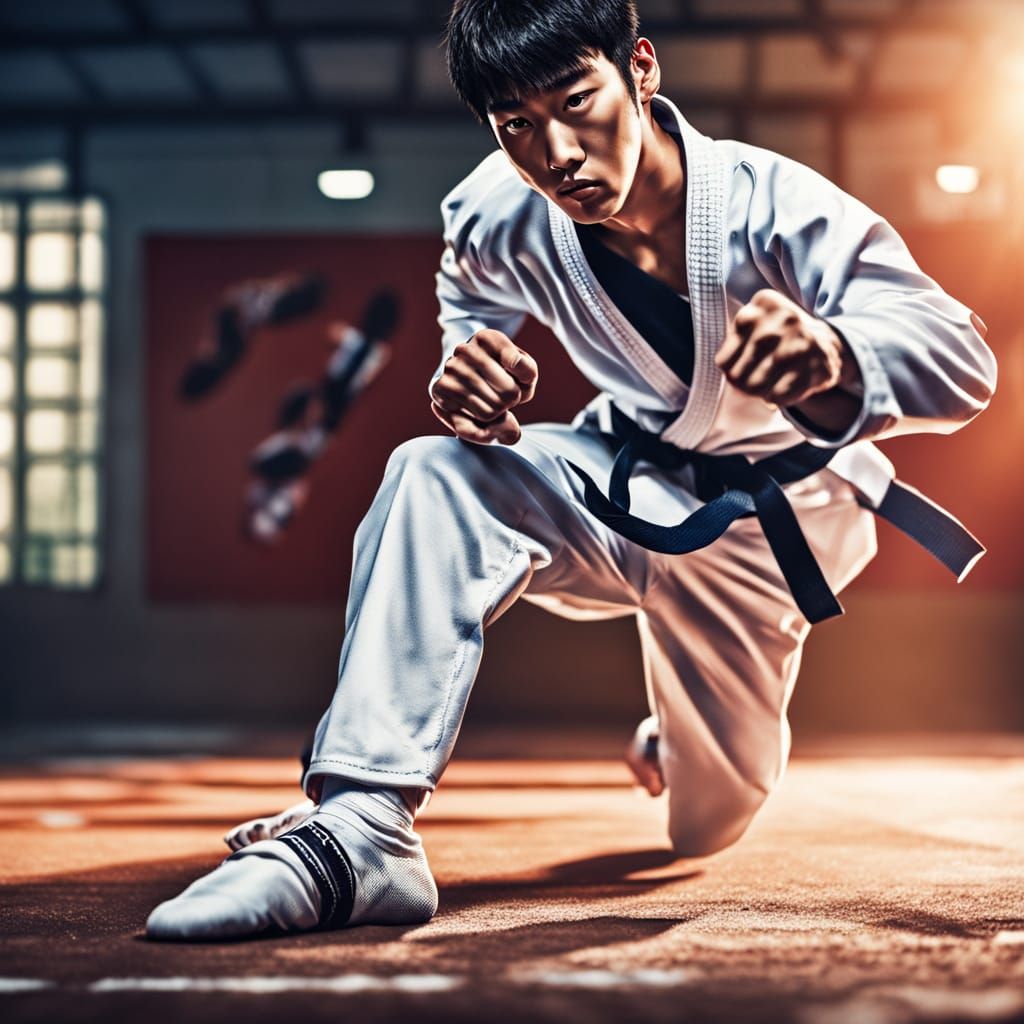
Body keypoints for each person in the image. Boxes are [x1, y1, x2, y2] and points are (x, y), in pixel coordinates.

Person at [145, 0, 996, 941]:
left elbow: (964, 360)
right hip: (617, 485)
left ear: (641, 68)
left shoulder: (776, 207)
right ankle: (360, 825)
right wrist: (470, 366)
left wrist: (836, 359)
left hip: (763, 537)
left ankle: (678, 732)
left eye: (576, 100)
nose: (556, 153)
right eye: (516, 125)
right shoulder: (497, 208)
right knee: (435, 473)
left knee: (708, 822)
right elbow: (469, 294)